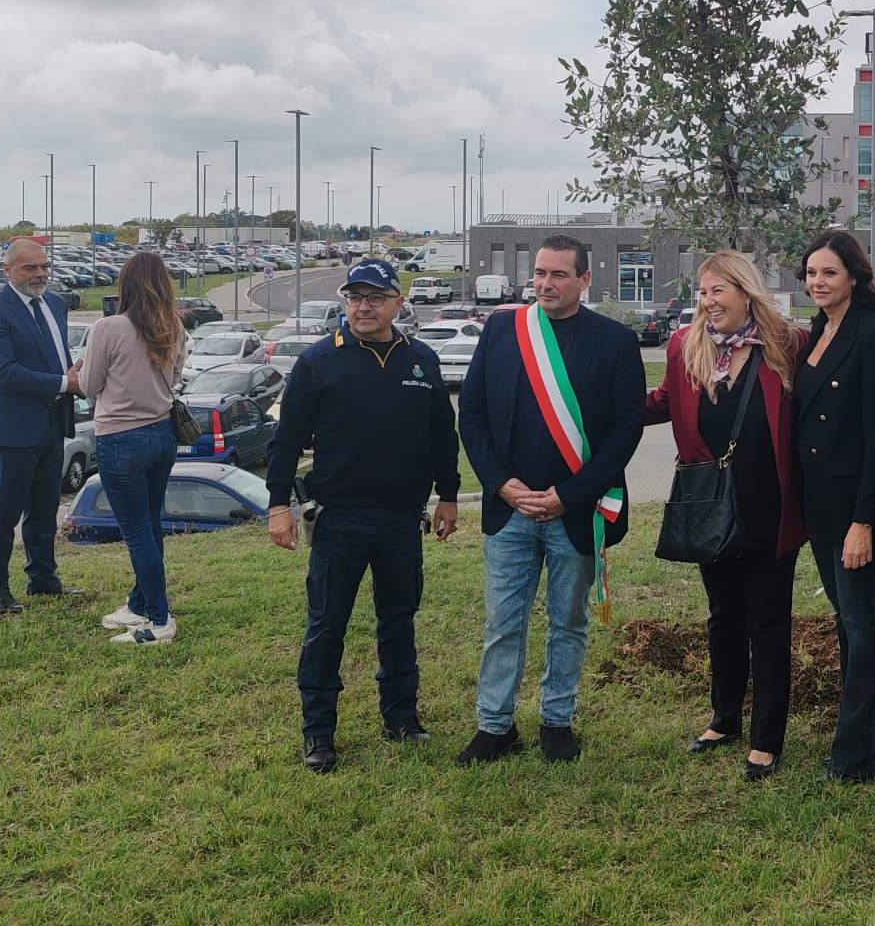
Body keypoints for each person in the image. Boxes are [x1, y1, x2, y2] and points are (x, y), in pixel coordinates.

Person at [264, 259, 461, 774]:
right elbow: (286, 440)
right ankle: (318, 731)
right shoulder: (317, 361)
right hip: (339, 520)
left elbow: (442, 434)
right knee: (327, 625)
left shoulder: (420, 359)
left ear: (398, 303)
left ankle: (401, 717)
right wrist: (279, 505)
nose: (363, 307)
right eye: (354, 297)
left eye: (375, 297)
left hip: (401, 518)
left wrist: (448, 494)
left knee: (398, 620)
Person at [456, 236, 644, 767]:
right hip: (510, 509)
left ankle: (556, 722)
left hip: (575, 512)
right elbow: (472, 414)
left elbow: (625, 431)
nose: (545, 284)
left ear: (585, 279)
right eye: (540, 273)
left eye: (559, 274)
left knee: (568, 622)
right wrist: (500, 483)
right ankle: (494, 725)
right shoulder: (502, 330)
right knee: (503, 624)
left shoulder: (615, 341)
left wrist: (569, 495)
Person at [646, 250, 807, 781]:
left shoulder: (787, 344)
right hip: (709, 502)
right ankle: (724, 718)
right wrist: (599, 406)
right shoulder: (684, 346)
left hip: (770, 504)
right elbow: (664, 401)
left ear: (745, 292)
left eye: (718, 290)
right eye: (702, 292)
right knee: (723, 615)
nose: (708, 301)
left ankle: (766, 738)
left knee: (767, 620)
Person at [795, 229, 875, 781]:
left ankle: (854, 753)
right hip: (818, 502)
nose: (818, 282)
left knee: (860, 625)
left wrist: (865, 520)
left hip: (853, 506)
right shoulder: (818, 328)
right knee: (846, 619)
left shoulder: (872, 335)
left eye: (829, 273)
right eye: (812, 273)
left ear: (855, 277)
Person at [75, 252, 187, 645]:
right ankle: (140, 603)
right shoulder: (174, 326)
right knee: (150, 523)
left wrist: (81, 371)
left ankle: (158, 618)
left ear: (125, 285)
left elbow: (89, 386)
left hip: (120, 437)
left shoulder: (108, 327)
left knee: (137, 530)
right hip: (162, 434)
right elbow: (176, 376)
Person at [0, 237, 81, 614]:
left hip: (53, 421)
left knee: (45, 507)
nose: (40, 274)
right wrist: (65, 383)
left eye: (44, 266)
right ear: (8, 271)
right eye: (30, 268)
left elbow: (57, 357)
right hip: (14, 428)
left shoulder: (55, 304)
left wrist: (76, 373)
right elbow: (3, 373)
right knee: (7, 512)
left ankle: (43, 579)